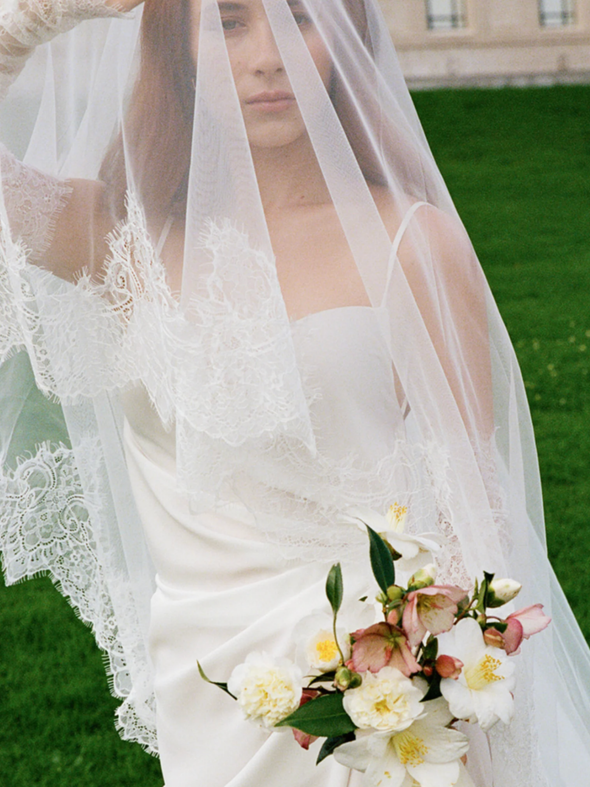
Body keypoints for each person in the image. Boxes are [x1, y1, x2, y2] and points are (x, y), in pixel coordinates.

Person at [1, 0, 589, 785]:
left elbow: (473, 502)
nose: (269, 55)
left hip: (376, 686)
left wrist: (436, 677)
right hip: (206, 679)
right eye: (229, 23)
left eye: (302, 18)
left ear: (346, 38)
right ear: (177, 50)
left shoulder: (412, 242)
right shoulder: (115, 237)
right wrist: (30, 20)